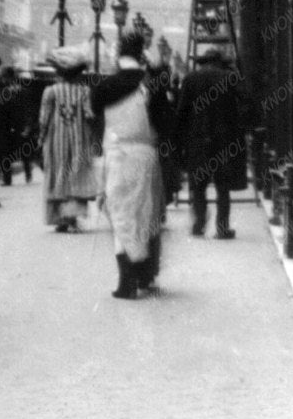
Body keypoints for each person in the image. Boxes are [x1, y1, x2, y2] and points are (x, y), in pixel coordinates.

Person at [90, 29, 174, 299]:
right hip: (146, 154)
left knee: (120, 214)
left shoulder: (104, 87)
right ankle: (145, 274)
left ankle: (125, 279)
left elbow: (95, 121)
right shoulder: (151, 85)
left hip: (114, 153)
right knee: (147, 214)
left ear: (118, 54)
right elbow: (165, 124)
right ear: (140, 54)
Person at [175, 47, 245, 239]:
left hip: (197, 139)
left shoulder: (190, 79)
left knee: (198, 186)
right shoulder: (229, 77)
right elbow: (246, 103)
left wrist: (180, 142)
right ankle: (222, 228)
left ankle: (199, 224)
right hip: (223, 140)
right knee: (223, 186)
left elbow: (181, 113)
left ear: (204, 62)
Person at [38, 47, 97, 231]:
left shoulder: (51, 91)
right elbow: (89, 115)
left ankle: (60, 219)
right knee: (75, 174)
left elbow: (44, 119)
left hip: (57, 140)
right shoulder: (84, 91)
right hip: (79, 139)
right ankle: (71, 217)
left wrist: (41, 138)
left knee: (57, 173)